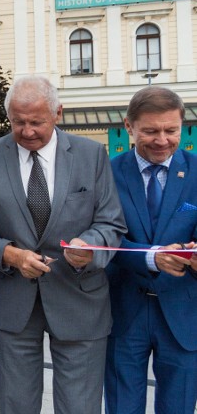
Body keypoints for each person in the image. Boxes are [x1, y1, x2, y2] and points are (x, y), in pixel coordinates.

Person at [0, 74, 126, 414]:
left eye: (36, 122)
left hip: (79, 296)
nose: (27, 131)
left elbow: (111, 222)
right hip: (14, 300)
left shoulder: (91, 155)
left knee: (79, 406)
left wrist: (90, 245)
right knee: (17, 405)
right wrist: (11, 255)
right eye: (17, 122)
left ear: (58, 113)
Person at [104, 86, 197, 413]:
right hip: (124, 311)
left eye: (171, 130)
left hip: (183, 315)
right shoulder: (108, 173)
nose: (162, 140)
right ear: (129, 126)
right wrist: (150, 256)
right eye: (150, 131)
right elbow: (104, 239)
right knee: (121, 407)